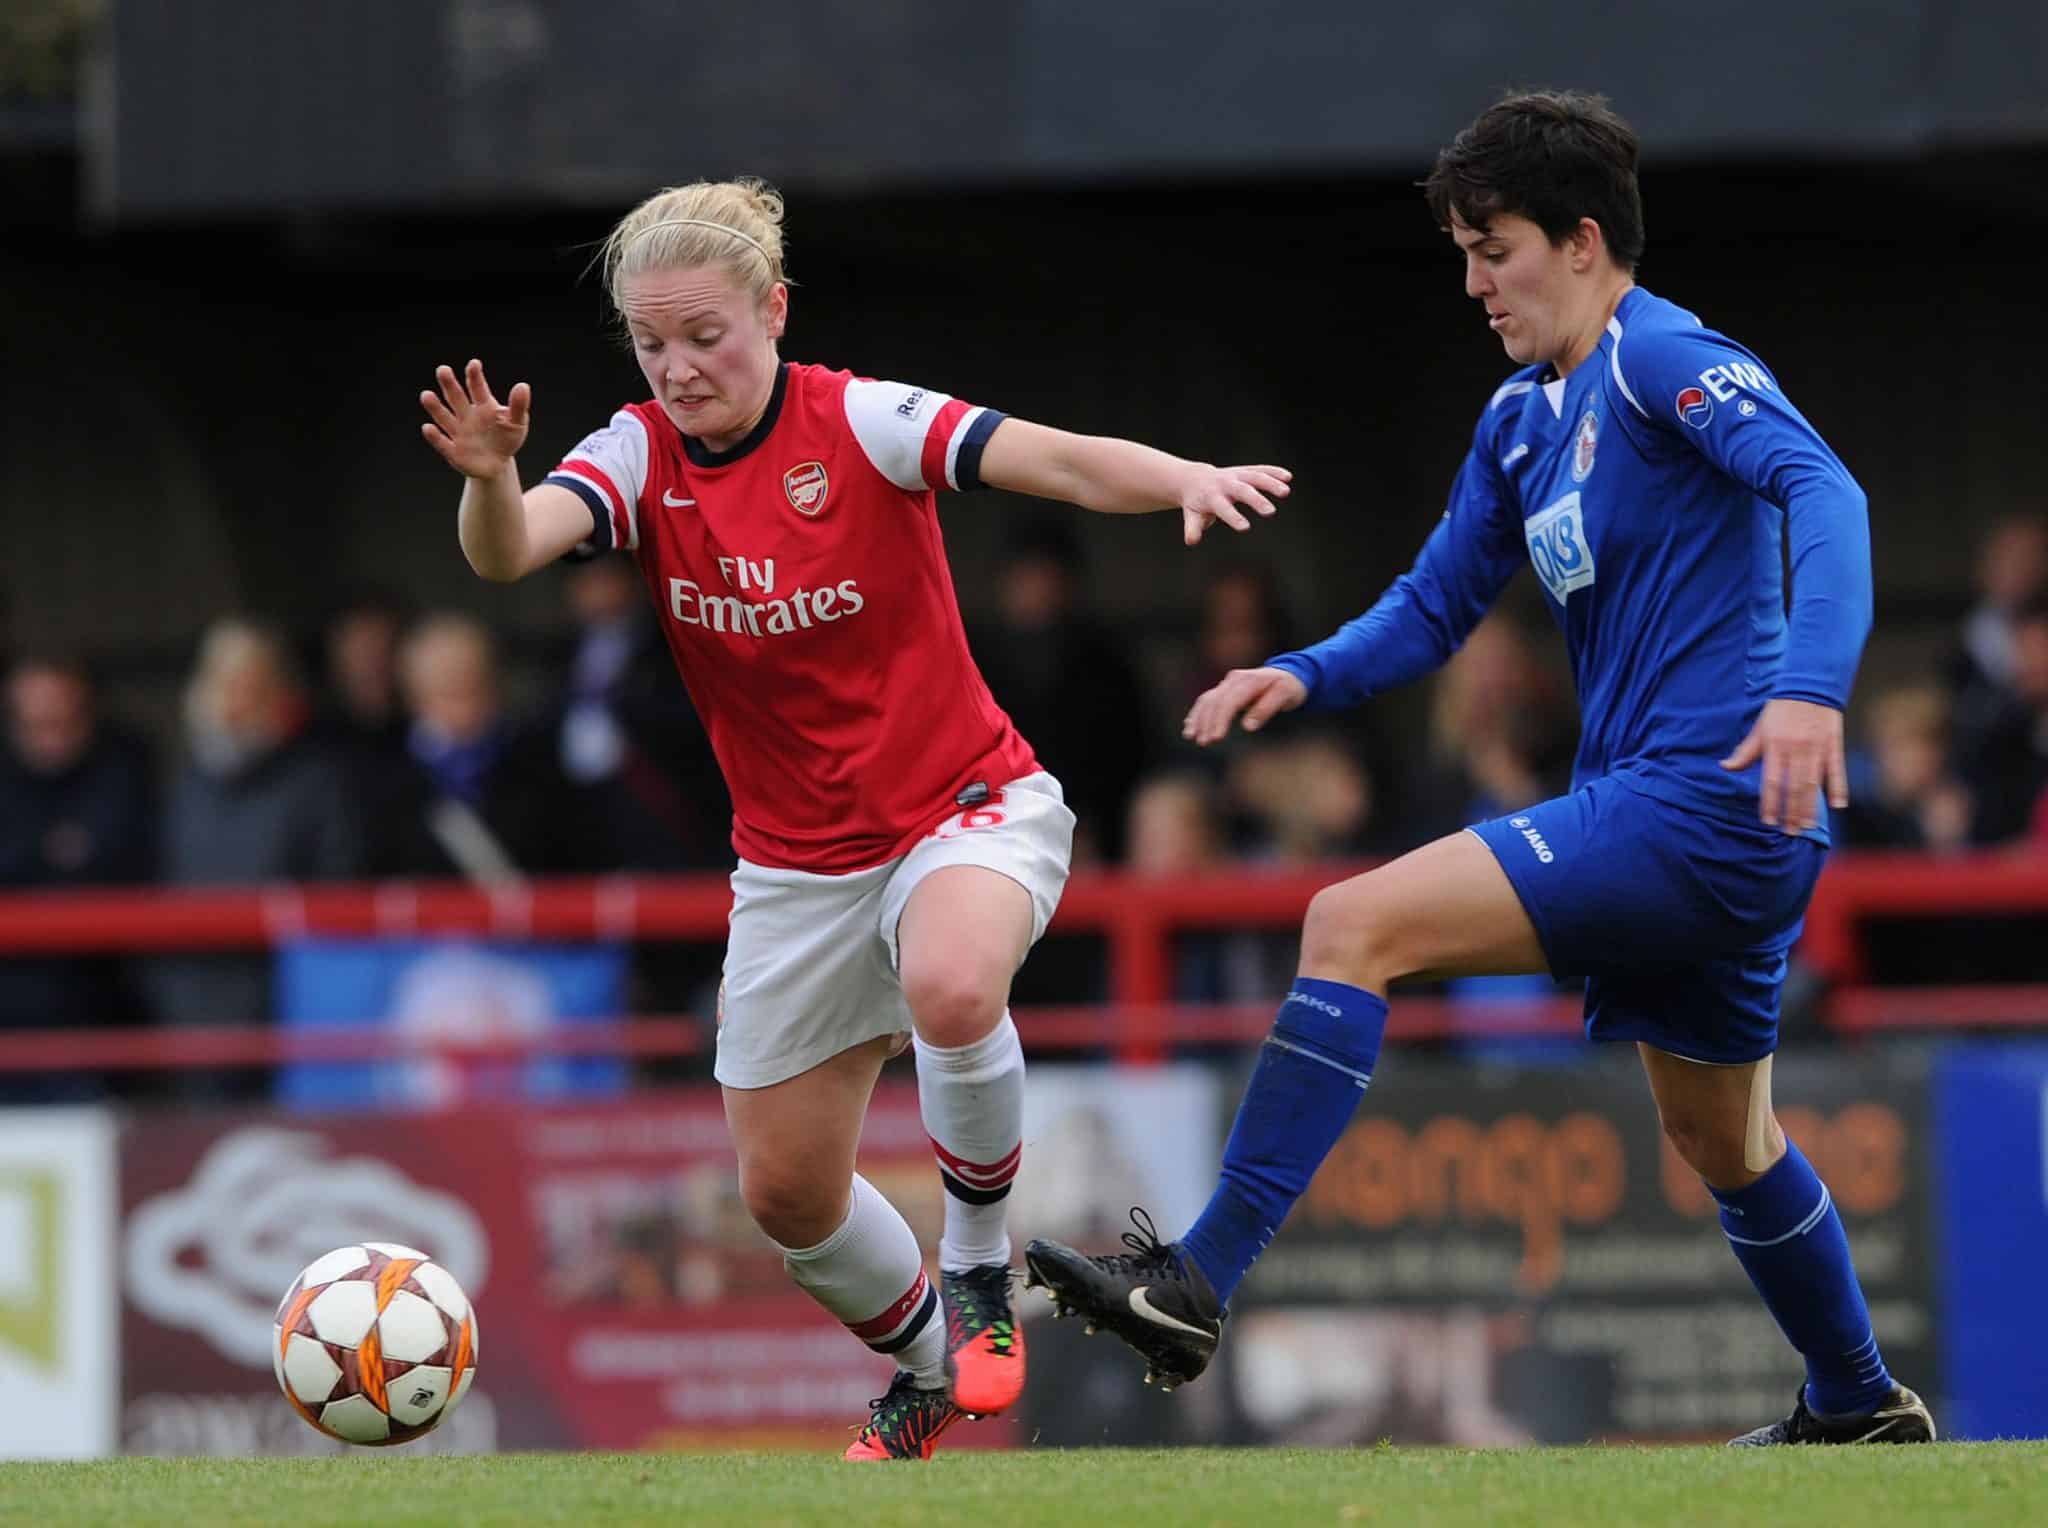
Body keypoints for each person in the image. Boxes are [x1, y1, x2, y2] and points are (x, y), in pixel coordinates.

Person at [1024, 90, 1934, 1448]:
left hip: (1707, 797)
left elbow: (1828, 493)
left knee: (1351, 922)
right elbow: (1440, 603)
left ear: (1580, 240)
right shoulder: (1522, 419)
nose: (1474, 284)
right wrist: (1308, 672)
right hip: (1692, 814)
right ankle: (1859, 1403)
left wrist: (1809, 691)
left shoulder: (1660, 358)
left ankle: (1193, 1281)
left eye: (1492, 248)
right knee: (1723, 1142)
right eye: (1461, 252)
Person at [416, 177, 1289, 1461]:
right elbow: (507, 550)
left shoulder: (861, 419)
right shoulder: (634, 453)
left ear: (772, 310)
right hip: (791, 871)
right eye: (652, 344)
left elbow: (1041, 455)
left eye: (704, 335)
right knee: (782, 1194)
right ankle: (931, 1364)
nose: (679, 367)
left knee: (949, 983)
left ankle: (982, 1273)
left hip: (966, 810)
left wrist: (1183, 479)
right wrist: (493, 477)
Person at [0, 657, 156, 1101]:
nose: (50, 733)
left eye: (62, 718)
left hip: (97, 1024)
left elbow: (128, 868)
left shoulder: (121, 772)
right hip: (9, 1031)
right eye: (35, 721)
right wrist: (48, 853)